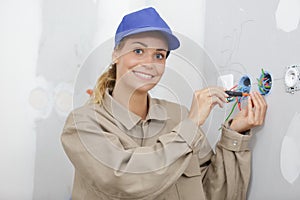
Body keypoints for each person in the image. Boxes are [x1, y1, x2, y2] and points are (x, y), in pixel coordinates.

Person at [61, 7, 267, 200]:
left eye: (159, 55)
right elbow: (126, 180)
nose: (149, 63)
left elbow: (212, 192)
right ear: (116, 54)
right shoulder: (83, 124)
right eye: (138, 51)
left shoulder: (178, 115)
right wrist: (191, 124)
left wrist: (234, 134)